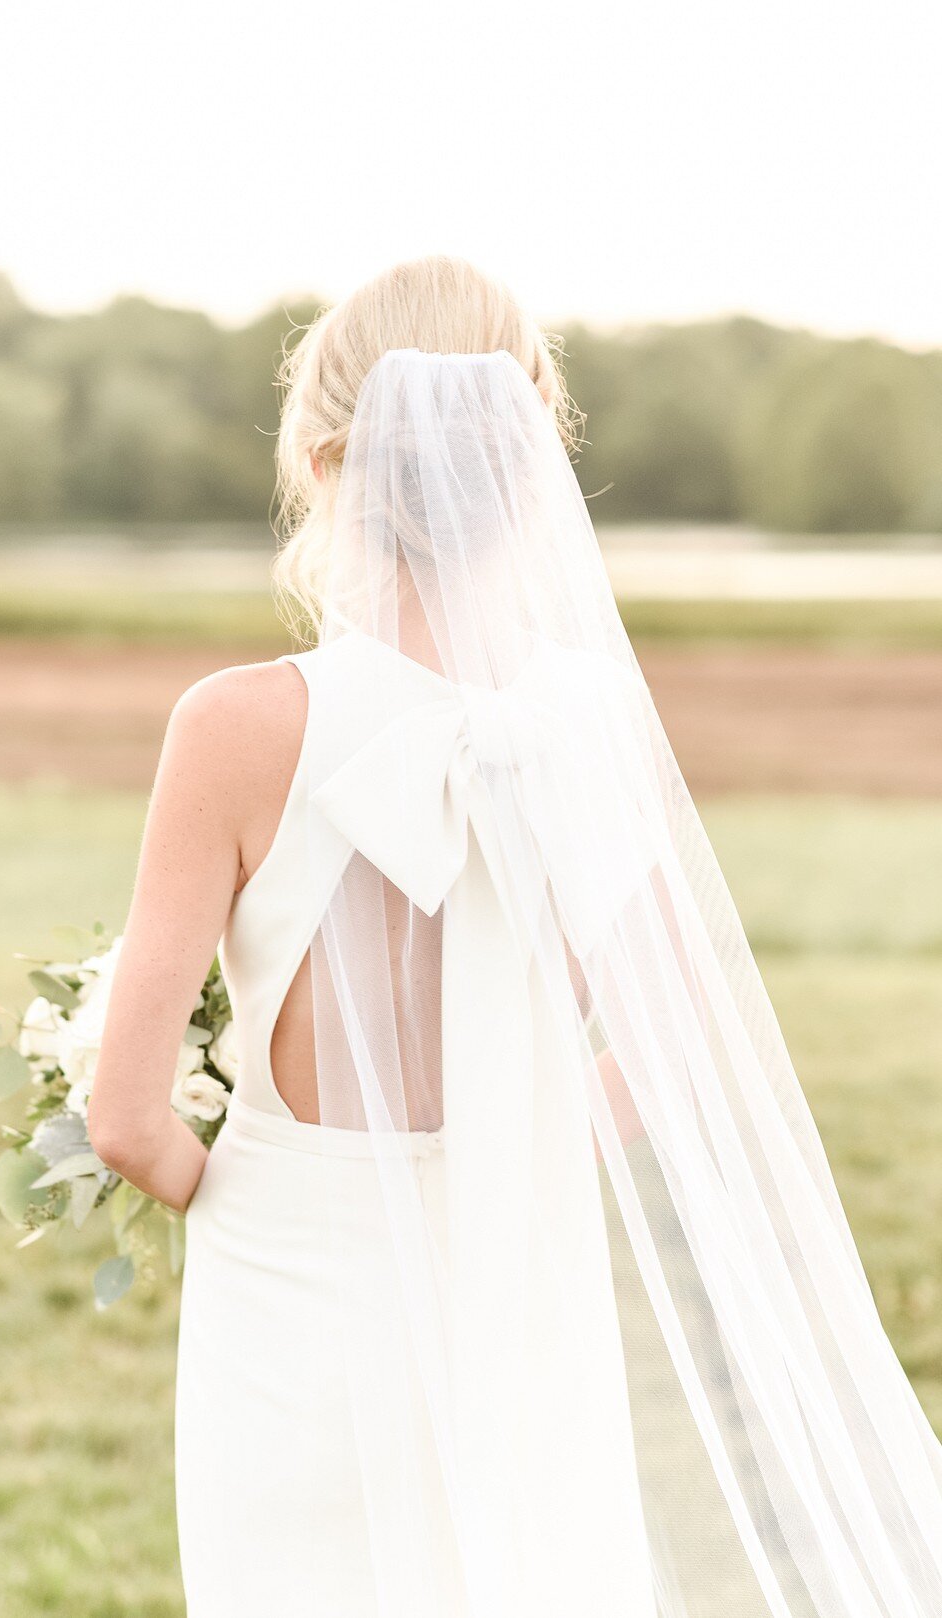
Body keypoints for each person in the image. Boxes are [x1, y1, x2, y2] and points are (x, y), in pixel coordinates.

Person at [87, 256, 942, 1617]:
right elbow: (665, 1048)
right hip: (516, 1272)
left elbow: (127, 1118)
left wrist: (261, 1197)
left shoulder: (235, 727)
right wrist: (510, 1151)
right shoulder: (590, 722)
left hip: (289, 1296)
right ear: (532, 457)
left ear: (319, 463)